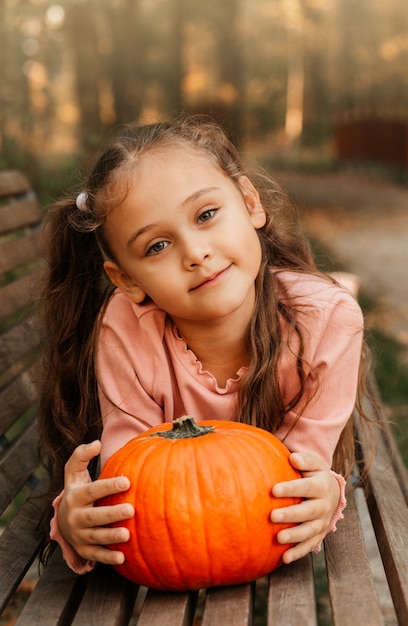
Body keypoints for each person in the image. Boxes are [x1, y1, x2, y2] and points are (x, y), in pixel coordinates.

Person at [39, 117, 369, 575]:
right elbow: (129, 481)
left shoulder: (328, 322)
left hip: (257, 524)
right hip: (183, 538)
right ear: (128, 280)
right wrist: (81, 518)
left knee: (327, 303)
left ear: (250, 202)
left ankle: (340, 285)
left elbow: (294, 481)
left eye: (206, 215)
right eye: (157, 246)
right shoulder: (126, 326)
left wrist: (323, 491)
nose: (195, 252)